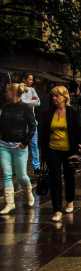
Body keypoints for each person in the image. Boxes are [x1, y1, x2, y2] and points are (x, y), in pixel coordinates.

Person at [40, 86, 81, 222]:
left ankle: (69, 200)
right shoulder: (48, 113)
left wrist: (79, 148)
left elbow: (78, 130)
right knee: (55, 180)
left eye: (57, 96)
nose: (54, 98)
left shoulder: (73, 111)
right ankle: (57, 210)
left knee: (69, 177)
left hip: (69, 150)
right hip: (53, 150)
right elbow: (44, 133)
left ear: (64, 97)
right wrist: (43, 153)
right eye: (53, 96)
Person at [0, 83, 36, 214]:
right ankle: (9, 203)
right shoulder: (6, 107)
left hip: (19, 145)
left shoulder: (25, 108)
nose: (5, 94)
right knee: (6, 174)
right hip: (4, 144)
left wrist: (25, 142)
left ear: (12, 93)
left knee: (21, 176)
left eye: (6, 91)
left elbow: (32, 126)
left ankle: (29, 193)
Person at [20, 72, 41, 173]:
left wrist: (24, 102)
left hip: (32, 119)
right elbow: (19, 102)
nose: (31, 81)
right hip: (21, 120)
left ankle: (36, 167)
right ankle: (21, 166)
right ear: (24, 79)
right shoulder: (18, 89)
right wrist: (30, 101)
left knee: (34, 144)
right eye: (30, 79)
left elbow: (37, 102)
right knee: (21, 144)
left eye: (32, 79)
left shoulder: (32, 90)